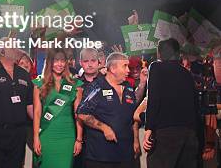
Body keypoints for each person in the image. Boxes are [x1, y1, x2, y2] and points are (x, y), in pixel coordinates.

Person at [77, 52, 140, 168]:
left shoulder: (129, 88)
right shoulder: (97, 86)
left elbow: (133, 117)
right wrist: (104, 127)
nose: (128, 71)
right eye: (124, 66)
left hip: (126, 155)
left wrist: (136, 140)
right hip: (101, 156)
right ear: (112, 68)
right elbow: (82, 113)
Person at [143, 38, 199, 168]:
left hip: (166, 135)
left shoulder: (156, 67)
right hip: (189, 134)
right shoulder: (187, 74)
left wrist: (148, 128)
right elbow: (196, 106)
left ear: (159, 54)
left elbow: (153, 98)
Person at [33, 48, 84, 168]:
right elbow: (37, 112)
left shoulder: (75, 84)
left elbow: (79, 114)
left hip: (67, 135)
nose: (60, 64)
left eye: (62, 60)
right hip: (46, 134)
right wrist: (36, 137)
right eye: (56, 60)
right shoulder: (39, 84)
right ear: (50, 62)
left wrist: (79, 139)